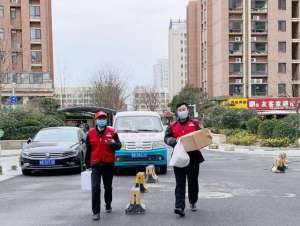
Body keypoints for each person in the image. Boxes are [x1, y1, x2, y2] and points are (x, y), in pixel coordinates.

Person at [164, 102, 205, 217]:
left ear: (188, 110)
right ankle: (179, 206)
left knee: (193, 181)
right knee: (180, 183)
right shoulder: (172, 125)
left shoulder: (195, 123)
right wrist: (172, 141)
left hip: (193, 156)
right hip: (179, 157)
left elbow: (202, 135)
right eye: (180, 110)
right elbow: (166, 137)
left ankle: (193, 201)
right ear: (177, 112)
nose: (182, 111)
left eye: (184, 109)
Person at [85, 111, 122, 221]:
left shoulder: (112, 132)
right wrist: (87, 165)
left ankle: (108, 204)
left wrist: (113, 144)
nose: (102, 120)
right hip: (95, 164)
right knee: (95, 188)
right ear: (96, 120)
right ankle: (96, 212)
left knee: (107, 187)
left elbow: (119, 145)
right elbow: (88, 149)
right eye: (100, 118)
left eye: (103, 118)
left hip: (108, 164)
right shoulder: (90, 133)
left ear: (106, 120)